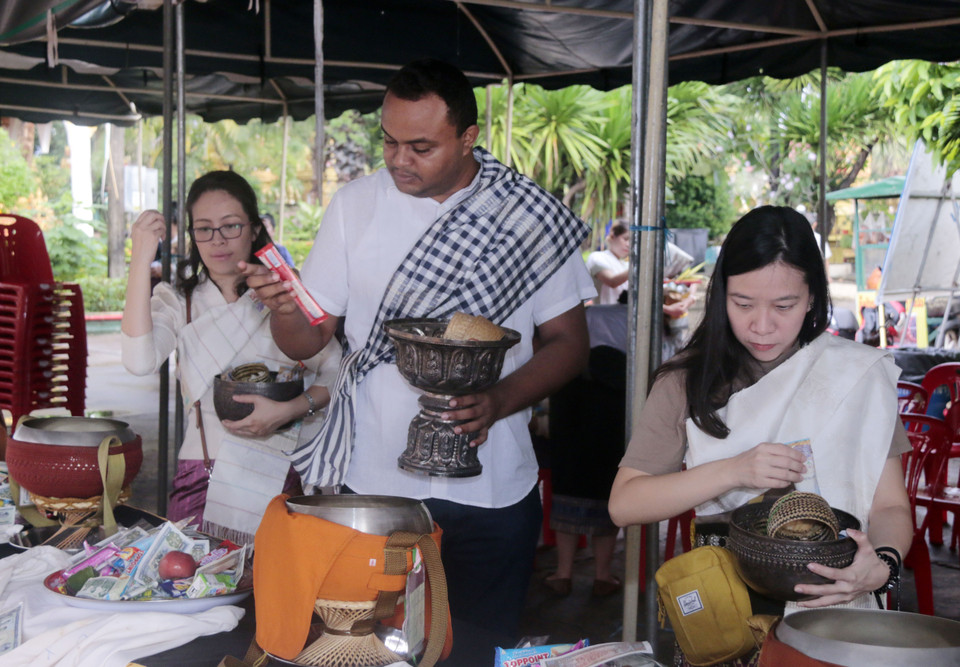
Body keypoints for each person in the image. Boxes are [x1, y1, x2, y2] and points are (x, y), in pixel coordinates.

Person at [242, 59, 594, 653]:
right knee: (367, 652)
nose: (399, 159)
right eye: (389, 140)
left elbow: (571, 344)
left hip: (493, 490)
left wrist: (500, 399)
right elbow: (309, 337)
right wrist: (282, 307)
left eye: (421, 146)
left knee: (478, 652)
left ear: (468, 138)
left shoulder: (525, 217)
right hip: (374, 487)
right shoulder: (356, 205)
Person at [609, 206, 911, 657]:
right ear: (720, 295)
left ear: (812, 297)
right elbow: (625, 503)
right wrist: (735, 469)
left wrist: (882, 565)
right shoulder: (687, 381)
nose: (762, 325)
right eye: (743, 303)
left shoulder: (855, 376)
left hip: (835, 599)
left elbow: (889, 505)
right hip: (724, 606)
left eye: (784, 306)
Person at [121, 170, 341, 544]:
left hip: (283, 471)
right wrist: (141, 259)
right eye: (203, 229)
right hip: (203, 475)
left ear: (254, 228)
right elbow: (138, 361)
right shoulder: (180, 302)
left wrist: (288, 411)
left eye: (231, 226)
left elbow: (337, 376)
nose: (217, 240)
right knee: (200, 587)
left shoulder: (283, 294)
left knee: (273, 594)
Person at [544, 301, 627, 598]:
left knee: (568, 486)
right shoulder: (635, 317)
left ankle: (563, 574)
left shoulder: (586, 313)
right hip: (613, 404)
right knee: (607, 492)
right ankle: (602, 576)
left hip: (571, 394)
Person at [586, 223, 630, 304]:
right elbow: (612, 281)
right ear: (613, 236)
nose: (628, 244)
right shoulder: (597, 257)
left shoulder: (626, 265)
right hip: (603, 315)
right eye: (626, 239)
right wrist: (637, 268)